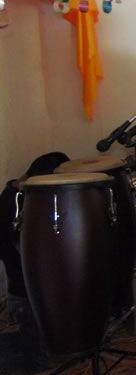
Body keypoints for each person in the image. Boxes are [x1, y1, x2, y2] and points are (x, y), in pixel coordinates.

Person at [0, 151, 69, 373]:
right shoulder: (18, 201)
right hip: (26, 293)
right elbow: (23, 252)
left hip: (29, 292)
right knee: (37, 361)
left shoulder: (15, 193)